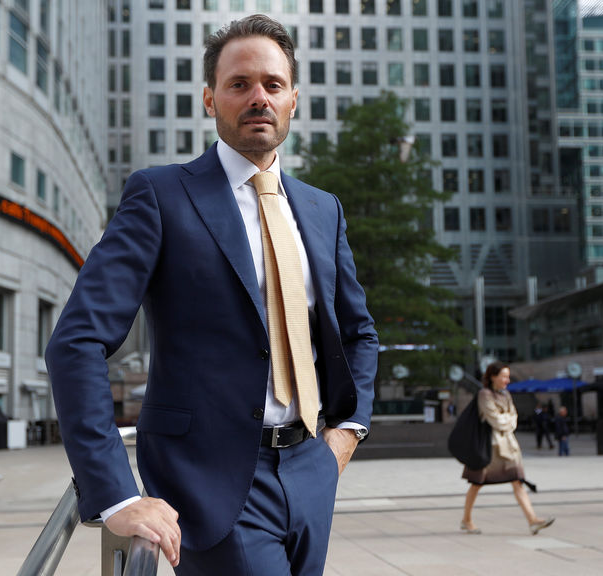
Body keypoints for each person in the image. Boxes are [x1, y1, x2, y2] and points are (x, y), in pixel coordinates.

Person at [45, 14, 378, 576]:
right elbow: (76, 342)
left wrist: (345, 436)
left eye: (273, 85)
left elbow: (358, 331)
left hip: (311, 472)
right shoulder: (159, 195)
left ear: (293, 98)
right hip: (211, 483)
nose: (258, 98)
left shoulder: (323, 209)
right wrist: (119, 495)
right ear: (209, 98)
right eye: (238, 84)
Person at [460, 361, 554, 535]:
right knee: (477, 483)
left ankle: (532, 520)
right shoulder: (484, 394)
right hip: (488, 448)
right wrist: (507, 420)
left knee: (517, 481)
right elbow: (495, 419)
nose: (507, 380)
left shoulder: (506, 395)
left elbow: (513, 418)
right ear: (493, 377)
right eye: (503, 376)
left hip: (508, 446)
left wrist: (507, 421)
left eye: (508, 376)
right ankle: (466, 520)